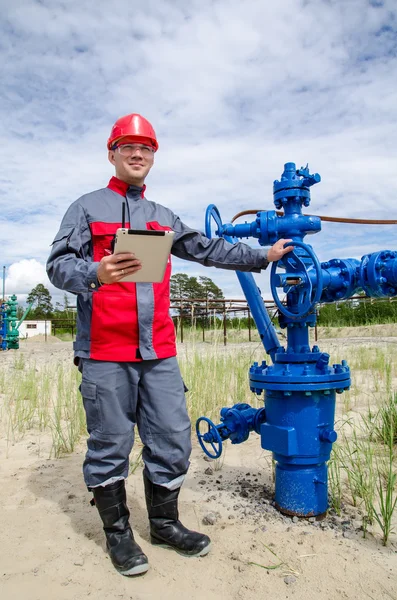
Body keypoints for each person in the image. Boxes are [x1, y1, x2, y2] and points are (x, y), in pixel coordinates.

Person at [46, 113, 293, 577]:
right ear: (112, 152)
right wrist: (94, 273)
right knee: (110, 442)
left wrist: (263, 255)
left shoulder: (163, 217)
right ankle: (119, 535)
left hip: (157, 350)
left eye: (147, 148)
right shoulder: (86, 207)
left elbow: (208, 248)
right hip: (104, 350)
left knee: (173, 438)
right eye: (128, 146)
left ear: (153, 156)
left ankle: (163, 523)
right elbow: (57, 265)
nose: (137, 154)